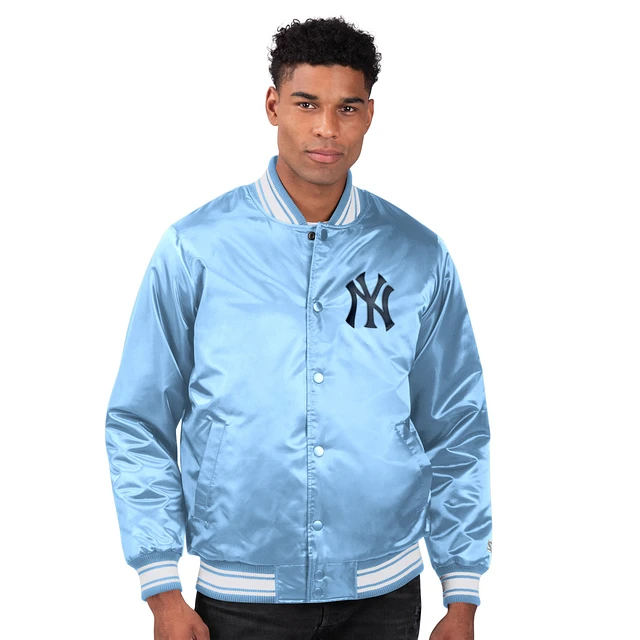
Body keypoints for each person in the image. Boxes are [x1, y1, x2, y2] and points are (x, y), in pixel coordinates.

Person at [105, 16, 493, 640]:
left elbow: (456, 423)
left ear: (370, 115)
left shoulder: (418, 255)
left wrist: (462, 589)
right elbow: (139, 418)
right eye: (306, 104)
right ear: (272, 105)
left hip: (386, 593)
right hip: (240, 595)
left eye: (347, 108)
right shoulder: (196, 248)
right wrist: (161, 588)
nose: (326, 129)